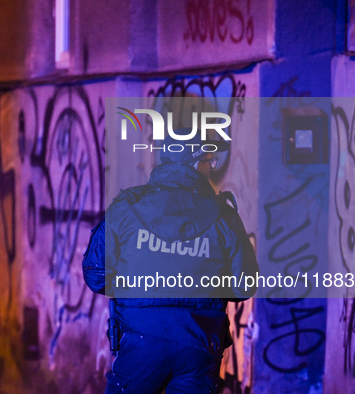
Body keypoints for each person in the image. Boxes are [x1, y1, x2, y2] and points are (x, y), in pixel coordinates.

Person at [83, 128, 259, 394]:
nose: (211, 166)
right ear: (194, 162)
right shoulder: (224, 217)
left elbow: (96, 276)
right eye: (209, 159)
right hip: (200, 346)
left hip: (139, 341)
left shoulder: (126, 208)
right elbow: (243, 286)